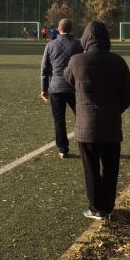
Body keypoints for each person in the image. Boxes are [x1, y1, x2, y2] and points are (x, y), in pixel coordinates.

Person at [64, 21, 130, 221]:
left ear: (86, 39)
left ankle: (95, 207)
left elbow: (67, 78)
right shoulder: (118, 61)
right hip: (111, 125)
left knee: (91, 168)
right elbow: (129, 92)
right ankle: (108, 206)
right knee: (111, 167)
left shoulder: (76, 60)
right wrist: (116, 109)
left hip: (86, 126)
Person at [40, 19, 83, 158]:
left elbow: (45, 69)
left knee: (59, 120)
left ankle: (63, 149)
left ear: (58, 30)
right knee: (82, 117)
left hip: (56, 87)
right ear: (72, 30)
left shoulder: (50, 45)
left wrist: (44, 89)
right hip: (74, 87)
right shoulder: (79, 44)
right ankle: (85, 146)